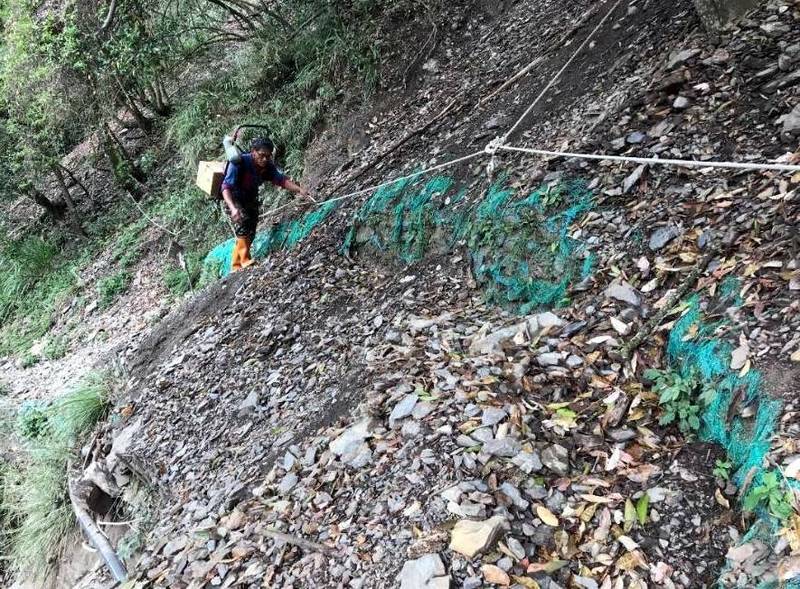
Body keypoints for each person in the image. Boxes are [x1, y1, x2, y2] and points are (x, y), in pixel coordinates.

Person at [220, 137, 312, 271]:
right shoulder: (239, 163)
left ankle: (236, 266)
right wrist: (233, 208)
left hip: (250, 198)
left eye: (268, 156)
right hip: (234, 197)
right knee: (243, 226)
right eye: (262, 155)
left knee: (251, 229)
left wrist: (299, 189)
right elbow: (226, 187)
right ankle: (244, 261)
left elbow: (281, 180)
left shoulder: (267, 166)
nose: (264, 159)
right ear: (253, 152)